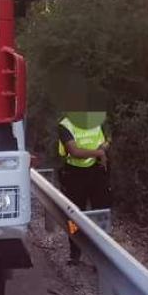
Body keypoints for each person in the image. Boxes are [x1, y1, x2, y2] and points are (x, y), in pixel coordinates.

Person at [57, 110, 111, 264]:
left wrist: (103, 148)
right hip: (75, 175)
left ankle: (100, 257)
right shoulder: (65, 125)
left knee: (100, 214)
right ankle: (75, 253)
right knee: (74, 216)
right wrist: (99, 153)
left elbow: (109, 138)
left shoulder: (98, 119)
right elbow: (74, 151)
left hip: (97, 172)